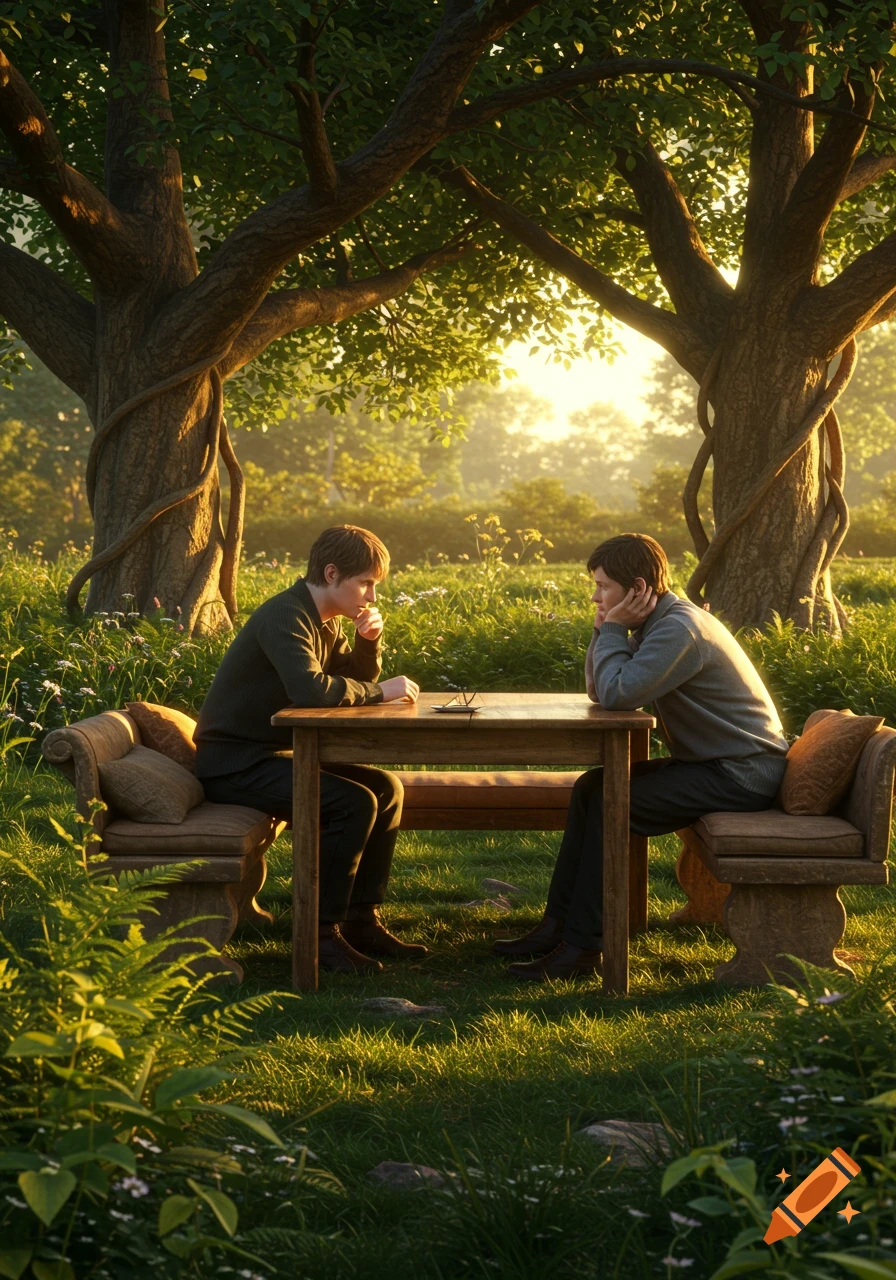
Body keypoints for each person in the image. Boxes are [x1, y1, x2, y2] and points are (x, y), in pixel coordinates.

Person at [494, 532, 789, 981]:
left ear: (636, 588)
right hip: (717, 764)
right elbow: (600, 689)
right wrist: (603, 629)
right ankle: (556, 928)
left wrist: (611, 629)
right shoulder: (660, 622)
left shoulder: (678, 629)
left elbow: (617, 694)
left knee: (613, 800)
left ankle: (582, 950)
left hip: (741, 774)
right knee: (594, 786)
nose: (595, 595)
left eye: (603, 587)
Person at [195, 524, 424, 975]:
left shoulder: (323, 621)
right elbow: (313, 691)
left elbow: (345, 675)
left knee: (386, 787)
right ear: (332, 572)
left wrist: (367, 642)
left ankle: (361, 919)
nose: (371, 597)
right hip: (233, 765)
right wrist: (381, 691)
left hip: (267, 755)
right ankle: (322, 935)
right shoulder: (286, 615)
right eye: (366, 583)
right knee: (351, 802)